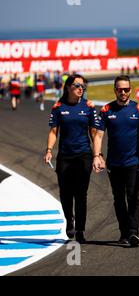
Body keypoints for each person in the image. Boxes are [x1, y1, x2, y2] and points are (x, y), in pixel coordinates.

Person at [92, 75, 139, 247]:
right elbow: (99, 135)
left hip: (133, 163)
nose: (123, 92)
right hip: (114, 164)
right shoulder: (106, 110)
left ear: (130, 90)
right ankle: (124, 232)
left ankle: (134, 232)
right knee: (118, 199)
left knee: (133, 197)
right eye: (120, 89)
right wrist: (97, 156)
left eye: (126, 89)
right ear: (115, 90)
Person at [44, 74, 99, 243]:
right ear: (68, 87)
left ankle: (81, 230)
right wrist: (49, 150)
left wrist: (98, 155)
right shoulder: (58, 107)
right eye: (77, 85)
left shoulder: (89, 107)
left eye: (83, 86)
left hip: (84, 155)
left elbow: (94, 132)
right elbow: (54, 132)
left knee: (81, 194)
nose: (81, 89)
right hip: (65, 157)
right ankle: (70, 220)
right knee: (66, 193)